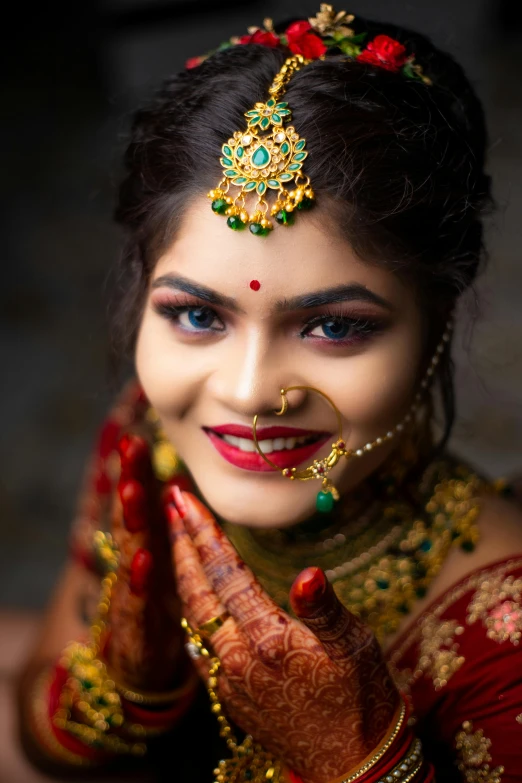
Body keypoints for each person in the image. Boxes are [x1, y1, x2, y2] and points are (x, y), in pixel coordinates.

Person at [15, 6, 522, 782]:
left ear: (437, 322)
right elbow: (43, 738)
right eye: (196, 314)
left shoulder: (502, 631)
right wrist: (127, 686)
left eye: (333, 327)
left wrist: (365, 763)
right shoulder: (153, 434)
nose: (247, 391)